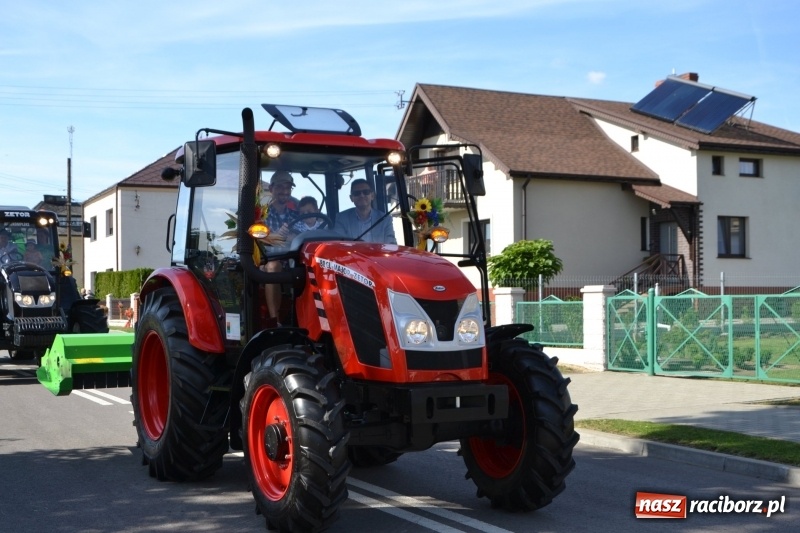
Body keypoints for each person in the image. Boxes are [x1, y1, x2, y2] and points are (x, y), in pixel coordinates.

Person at [260, 170, 299, 323]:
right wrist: (277, 236)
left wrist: (290, 237)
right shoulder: (262, 214)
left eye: (288, 188)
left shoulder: (295, 214)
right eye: (280, 187)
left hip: (292, 259)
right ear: (271, 189)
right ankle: (274, 320)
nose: (285, 191)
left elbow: (302, 234)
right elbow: (258, 240)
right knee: (273, 267)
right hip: (269, 258)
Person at [333, 179, 397, 244]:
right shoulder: (342, 218)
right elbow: (339, 245)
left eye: (366, 192)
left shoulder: (385, 220)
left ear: (372, 196)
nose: (362, 195)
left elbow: (391, 245)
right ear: (351, 198)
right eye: (357, 193)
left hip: (378, 254)